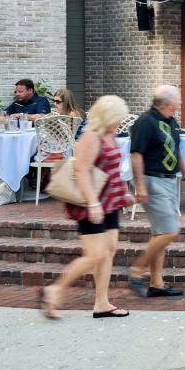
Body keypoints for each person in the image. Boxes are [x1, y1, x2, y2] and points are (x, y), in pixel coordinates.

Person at [38, 95, 133, 320]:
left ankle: (102, 303)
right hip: (91, 203)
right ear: (107, 116)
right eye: (117, 118)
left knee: (108, 251)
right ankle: (54, 290)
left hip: (110, 201)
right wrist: (93, 202)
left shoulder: (110, 134)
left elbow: (112, 169)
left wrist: (123, 193)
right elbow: (80, 170)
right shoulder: (90, 137)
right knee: (95, 254)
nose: (120, 122)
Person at [128, 85, 185, 299]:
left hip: (169, 181)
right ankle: (136, 271)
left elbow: (176, 149)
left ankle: (157, 283)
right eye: (179, 99)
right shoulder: (145, 122)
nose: (181, 103)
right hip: (152, 180)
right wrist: (140, 186)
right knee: (169, 231)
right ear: (168, 103)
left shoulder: (171, 121)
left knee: (160, 234)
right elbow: (135, 154)